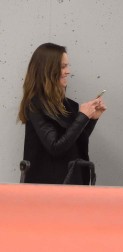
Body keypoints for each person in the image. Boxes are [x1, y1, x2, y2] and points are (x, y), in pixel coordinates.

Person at [18, 43, 106, 185]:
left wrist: (90, 119)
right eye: (63, 66)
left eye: (67, 66)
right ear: (47, 70)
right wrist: (82, 117)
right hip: (46, 188)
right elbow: (55, 147)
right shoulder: (35, 105)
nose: (68, 71)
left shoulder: (70, 105)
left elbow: (74, 142)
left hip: (72, 182)